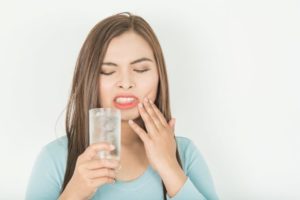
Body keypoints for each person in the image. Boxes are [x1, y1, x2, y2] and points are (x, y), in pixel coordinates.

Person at [25, 12, 219, 200]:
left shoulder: (184, 154)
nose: (126, 83)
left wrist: (170, 168)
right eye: (108, 71)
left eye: (140, 69)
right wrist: (73, 194)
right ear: (89, 79)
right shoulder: (55, 159)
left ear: (159, 77)